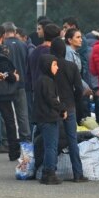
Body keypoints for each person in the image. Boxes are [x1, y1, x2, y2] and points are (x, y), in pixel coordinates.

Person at [49, 37, 87, 182]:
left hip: (54, 107)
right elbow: (79, 88)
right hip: (70, 105)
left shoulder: (49, 66)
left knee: (53, 140)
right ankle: (78, 173)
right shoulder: (71, 66)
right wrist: (76, 100)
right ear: (65, 51)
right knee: (72, 140)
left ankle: (51, 171)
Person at [32, 55, 65, 185]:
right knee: (51, 146)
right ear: (47, 66)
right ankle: (49, 172)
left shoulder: (41, 79)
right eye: (54, 65)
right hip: (49, 117)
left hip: (41, 117)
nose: (57, 67)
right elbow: (51, 99)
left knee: (46, 145)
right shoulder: (48, 81)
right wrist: (62, 109)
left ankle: (46, 171)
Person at [0, 31, 22, 162]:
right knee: (10, 123)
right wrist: (13, 76)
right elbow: (7, 75)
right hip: (5, 95)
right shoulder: (3, 59)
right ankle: (14, 151)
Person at [1, 23, 32, 145]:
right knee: (22, 114)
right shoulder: (23, 45)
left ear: (4, 32)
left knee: (7, 115)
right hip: (21, 83)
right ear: (14, 31)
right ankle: (26, 139)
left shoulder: (3, 46)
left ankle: (8, 140)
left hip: (7, 85)